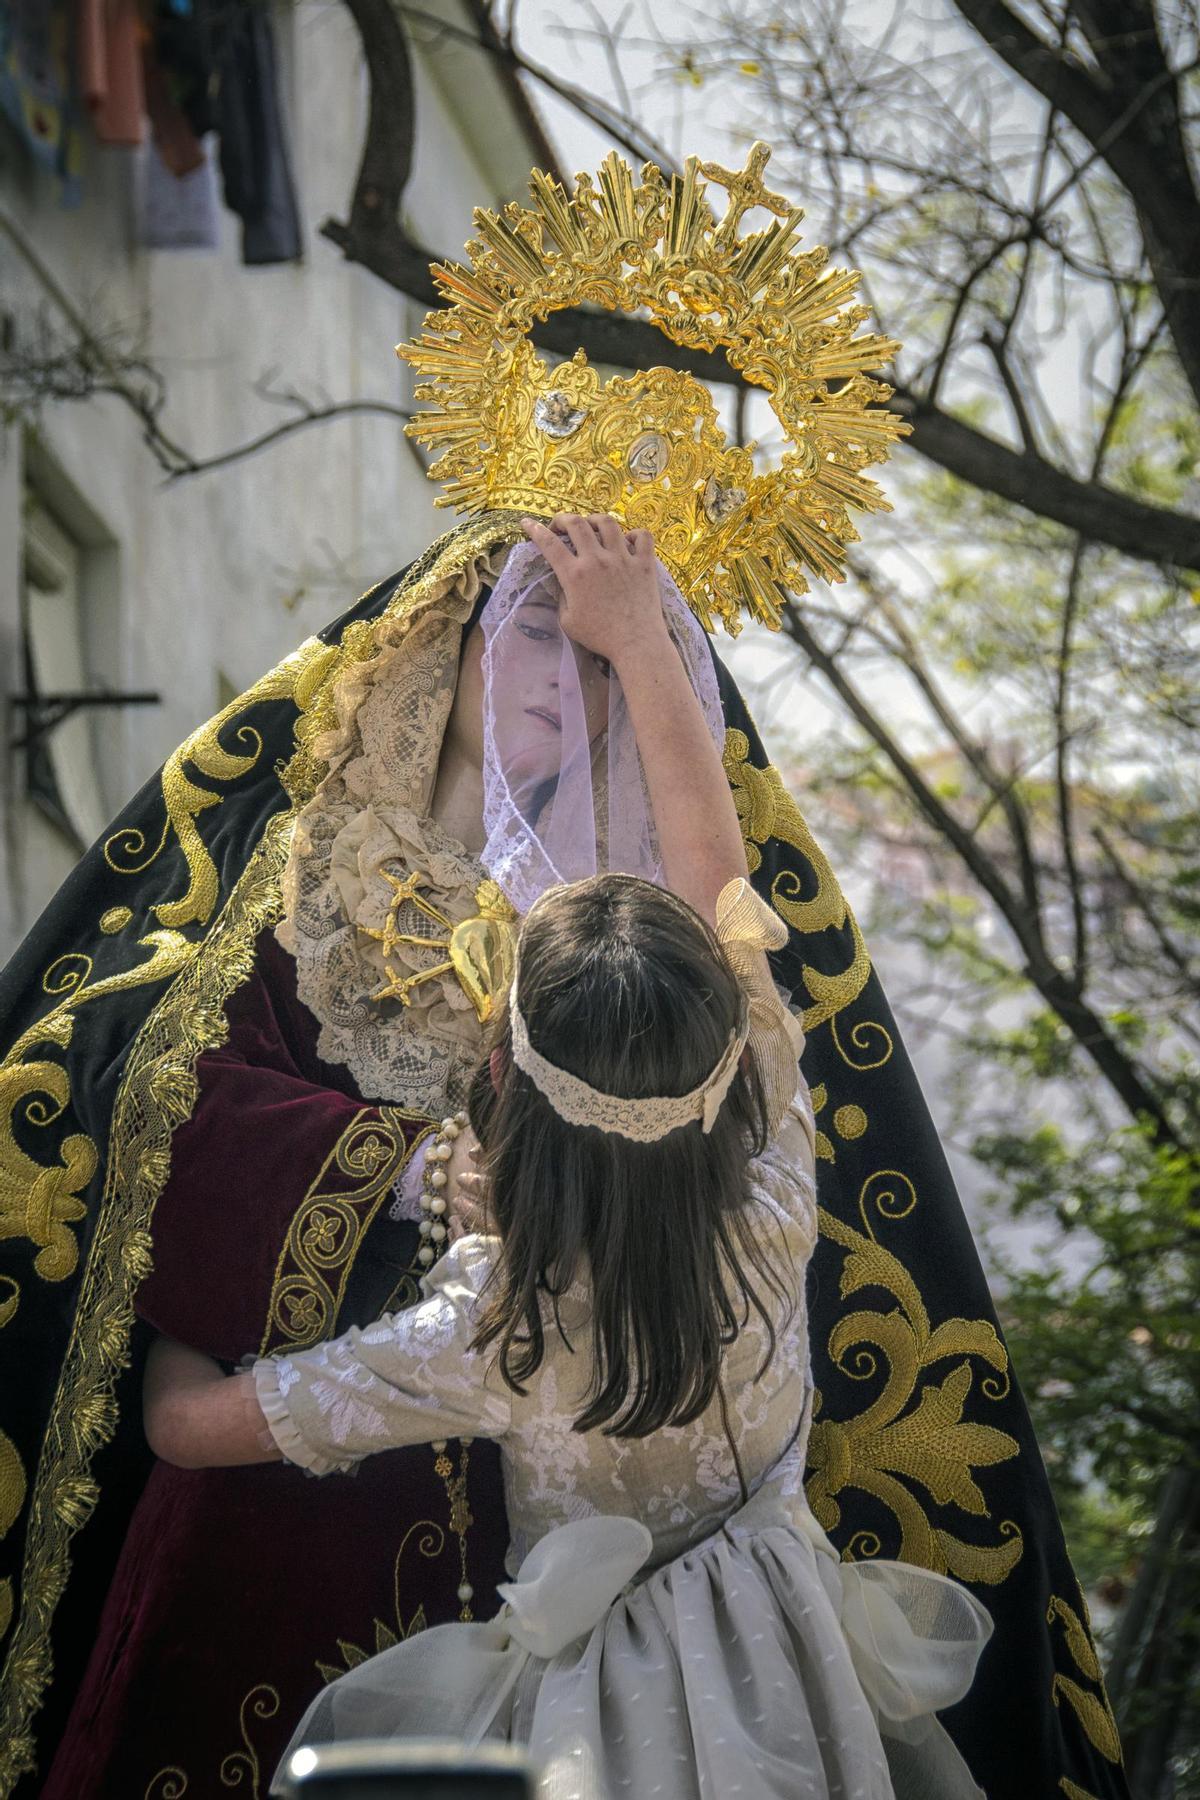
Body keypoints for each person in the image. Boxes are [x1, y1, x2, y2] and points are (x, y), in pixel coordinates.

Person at [1, 143, 1125, 1800]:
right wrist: (376, 1167)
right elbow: (143, 1054)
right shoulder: (332, 857)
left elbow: (717, 894)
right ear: (439, 643)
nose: (545, 678)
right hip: (313, 1541)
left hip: (432, 1495)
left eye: (584, 648)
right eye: (521, 624)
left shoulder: (537, 1235)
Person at [143, 517, 992, 1799]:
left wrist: (168, 1290)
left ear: (498, 1079)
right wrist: (645, 643)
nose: (556, 678)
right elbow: (724, 897)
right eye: (530, 638)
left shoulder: (493, 1325)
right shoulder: (771, 1196)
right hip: (790, 1663)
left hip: (597, 1719)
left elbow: (186, 1431)